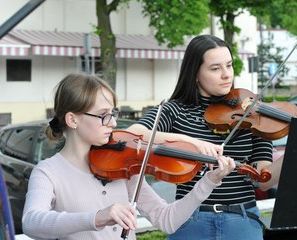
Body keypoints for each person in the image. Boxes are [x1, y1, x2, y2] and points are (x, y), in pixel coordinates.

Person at [22, 73, 235, 240]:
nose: (113, 123)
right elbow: (32, 222)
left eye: (113, 115)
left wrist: (208, 182)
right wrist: (99, 217)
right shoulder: (48, 172)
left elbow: (166, 220)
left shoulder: (122, 167)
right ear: (73, 120)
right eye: (104, 116)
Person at [127, 35, 283, 240]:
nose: (226, 75)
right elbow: (132, 133)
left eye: (229, 65)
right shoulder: (175, 111)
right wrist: (193, 143)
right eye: (215, 68)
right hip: (190, 221)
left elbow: (263, 180)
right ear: (195, 74)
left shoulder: (251, 113)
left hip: (242, 221)